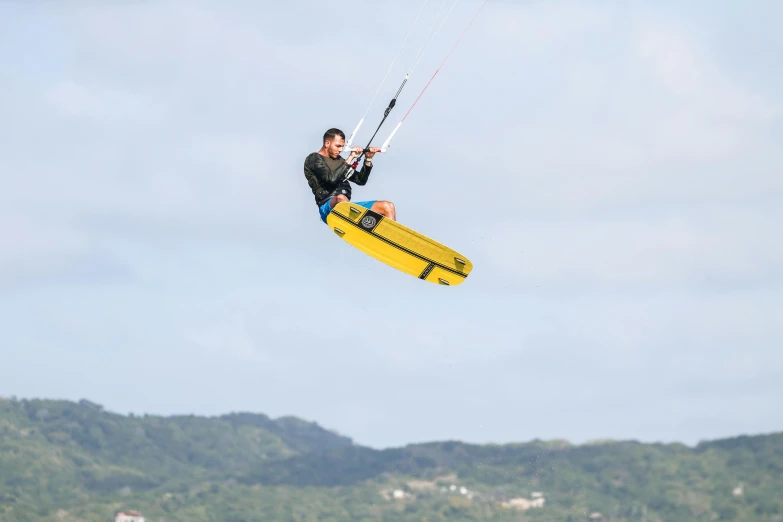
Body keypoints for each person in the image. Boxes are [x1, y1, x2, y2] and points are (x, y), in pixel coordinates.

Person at [303, 128, 396, 224]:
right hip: (328, 207)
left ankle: (392, 236)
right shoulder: (313, 159)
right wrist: (351, 157)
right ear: (327, 143)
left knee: (388, 206)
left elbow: (360, 180)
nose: (340, 150)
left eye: (342, 147)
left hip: (348, 207)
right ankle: (356, 221)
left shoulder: (339, 161)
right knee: (340, 198)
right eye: (338, 146)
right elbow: (331, 179)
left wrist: (368, 159)